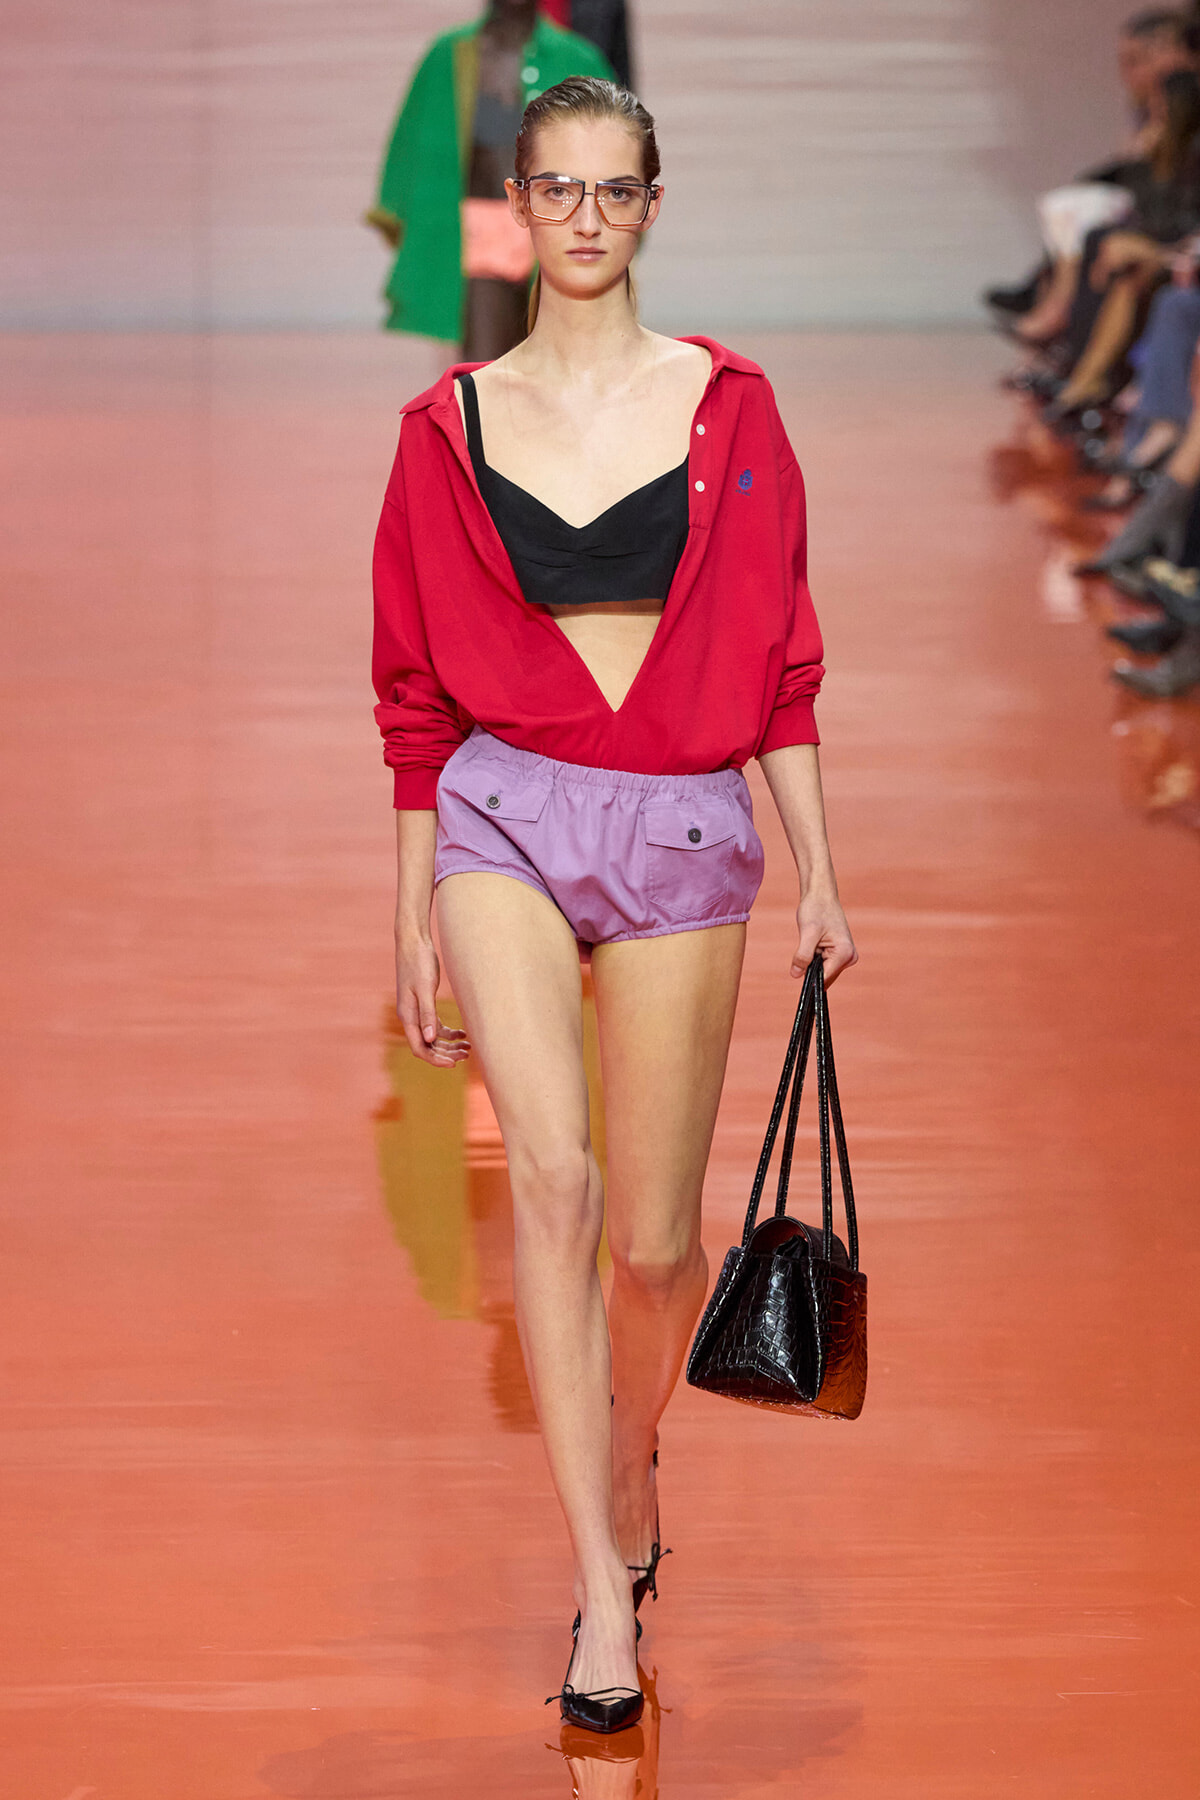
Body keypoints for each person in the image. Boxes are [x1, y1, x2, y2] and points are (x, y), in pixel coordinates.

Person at [371, 76, 858, 1732]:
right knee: (558, 1185)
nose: (585, 220)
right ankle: (599, 1587)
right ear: (521, 209)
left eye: (614, 192)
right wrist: (409, 902)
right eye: (557, 192)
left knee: (657, 1244)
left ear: (655, 205)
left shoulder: (732, 407)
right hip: (505, 814)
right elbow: (412, 697)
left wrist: (820, 871)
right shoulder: (451, 425)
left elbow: (783, 657)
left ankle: (635, 1459)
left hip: (679, 826)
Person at [365, 3, 612, 355]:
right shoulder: (448, 55)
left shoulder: (577, 59)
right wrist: (402, 214)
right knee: (486, 357)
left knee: (559, 350)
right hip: (477, 230)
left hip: (555, 228)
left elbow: (614, 150)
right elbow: (410, 140)